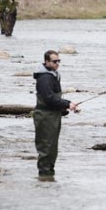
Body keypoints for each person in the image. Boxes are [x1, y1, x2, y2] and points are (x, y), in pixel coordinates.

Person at [33, 50, 78, 180]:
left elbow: (53, 100)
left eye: (59, 61)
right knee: (46, 147)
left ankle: (48, 177)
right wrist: (67, 104)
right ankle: (44, 177)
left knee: (52, 147)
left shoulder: (52, 75)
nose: (57, 63)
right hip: (45, 116)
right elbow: (49, 98)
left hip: (52, 115)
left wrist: (65, 107)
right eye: (54, 61)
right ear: (46, 62)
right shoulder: (45, 78)